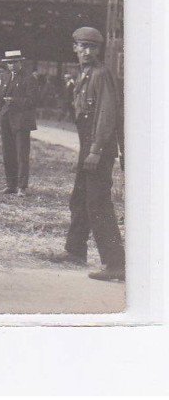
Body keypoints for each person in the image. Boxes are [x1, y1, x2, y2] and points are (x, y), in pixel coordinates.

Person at [52, 27, 125, 281]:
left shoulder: (101, 74)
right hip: (88, 144)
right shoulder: (85, 74)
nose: (87, 51)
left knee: (98, 202)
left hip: (98, 147)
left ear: (99, 50)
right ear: (74, 48)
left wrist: (96, 150)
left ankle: (117, 263)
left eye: (92, 47)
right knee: (80, 197)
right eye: (82, 46)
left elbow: (106, 115)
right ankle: (75, 250)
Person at [0, 50, 39, 196]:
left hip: (21, 121)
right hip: (6, 119)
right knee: (8, 153)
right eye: (9, 63)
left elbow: (33, 100)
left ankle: (22, 187)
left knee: (21, 154)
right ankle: (11, 185)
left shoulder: (29, 79)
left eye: (14, 62)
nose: (12, 65)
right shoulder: (5, 77)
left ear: (20, 62)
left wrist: (14, 101)